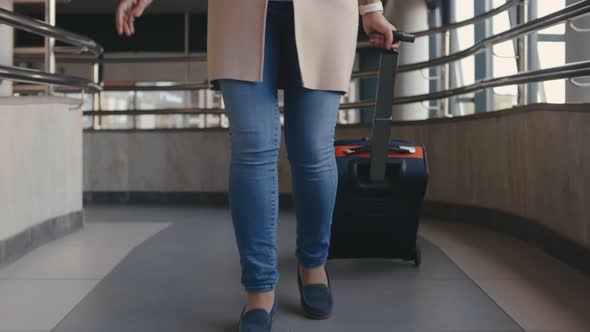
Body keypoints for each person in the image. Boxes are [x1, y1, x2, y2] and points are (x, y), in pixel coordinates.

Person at [116, 0, 398, 331]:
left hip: (327, 9)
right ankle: (260, 287)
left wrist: (370, 7)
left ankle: (313, 264)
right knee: (253, 146)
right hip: (238, 9)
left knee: (312, 147)